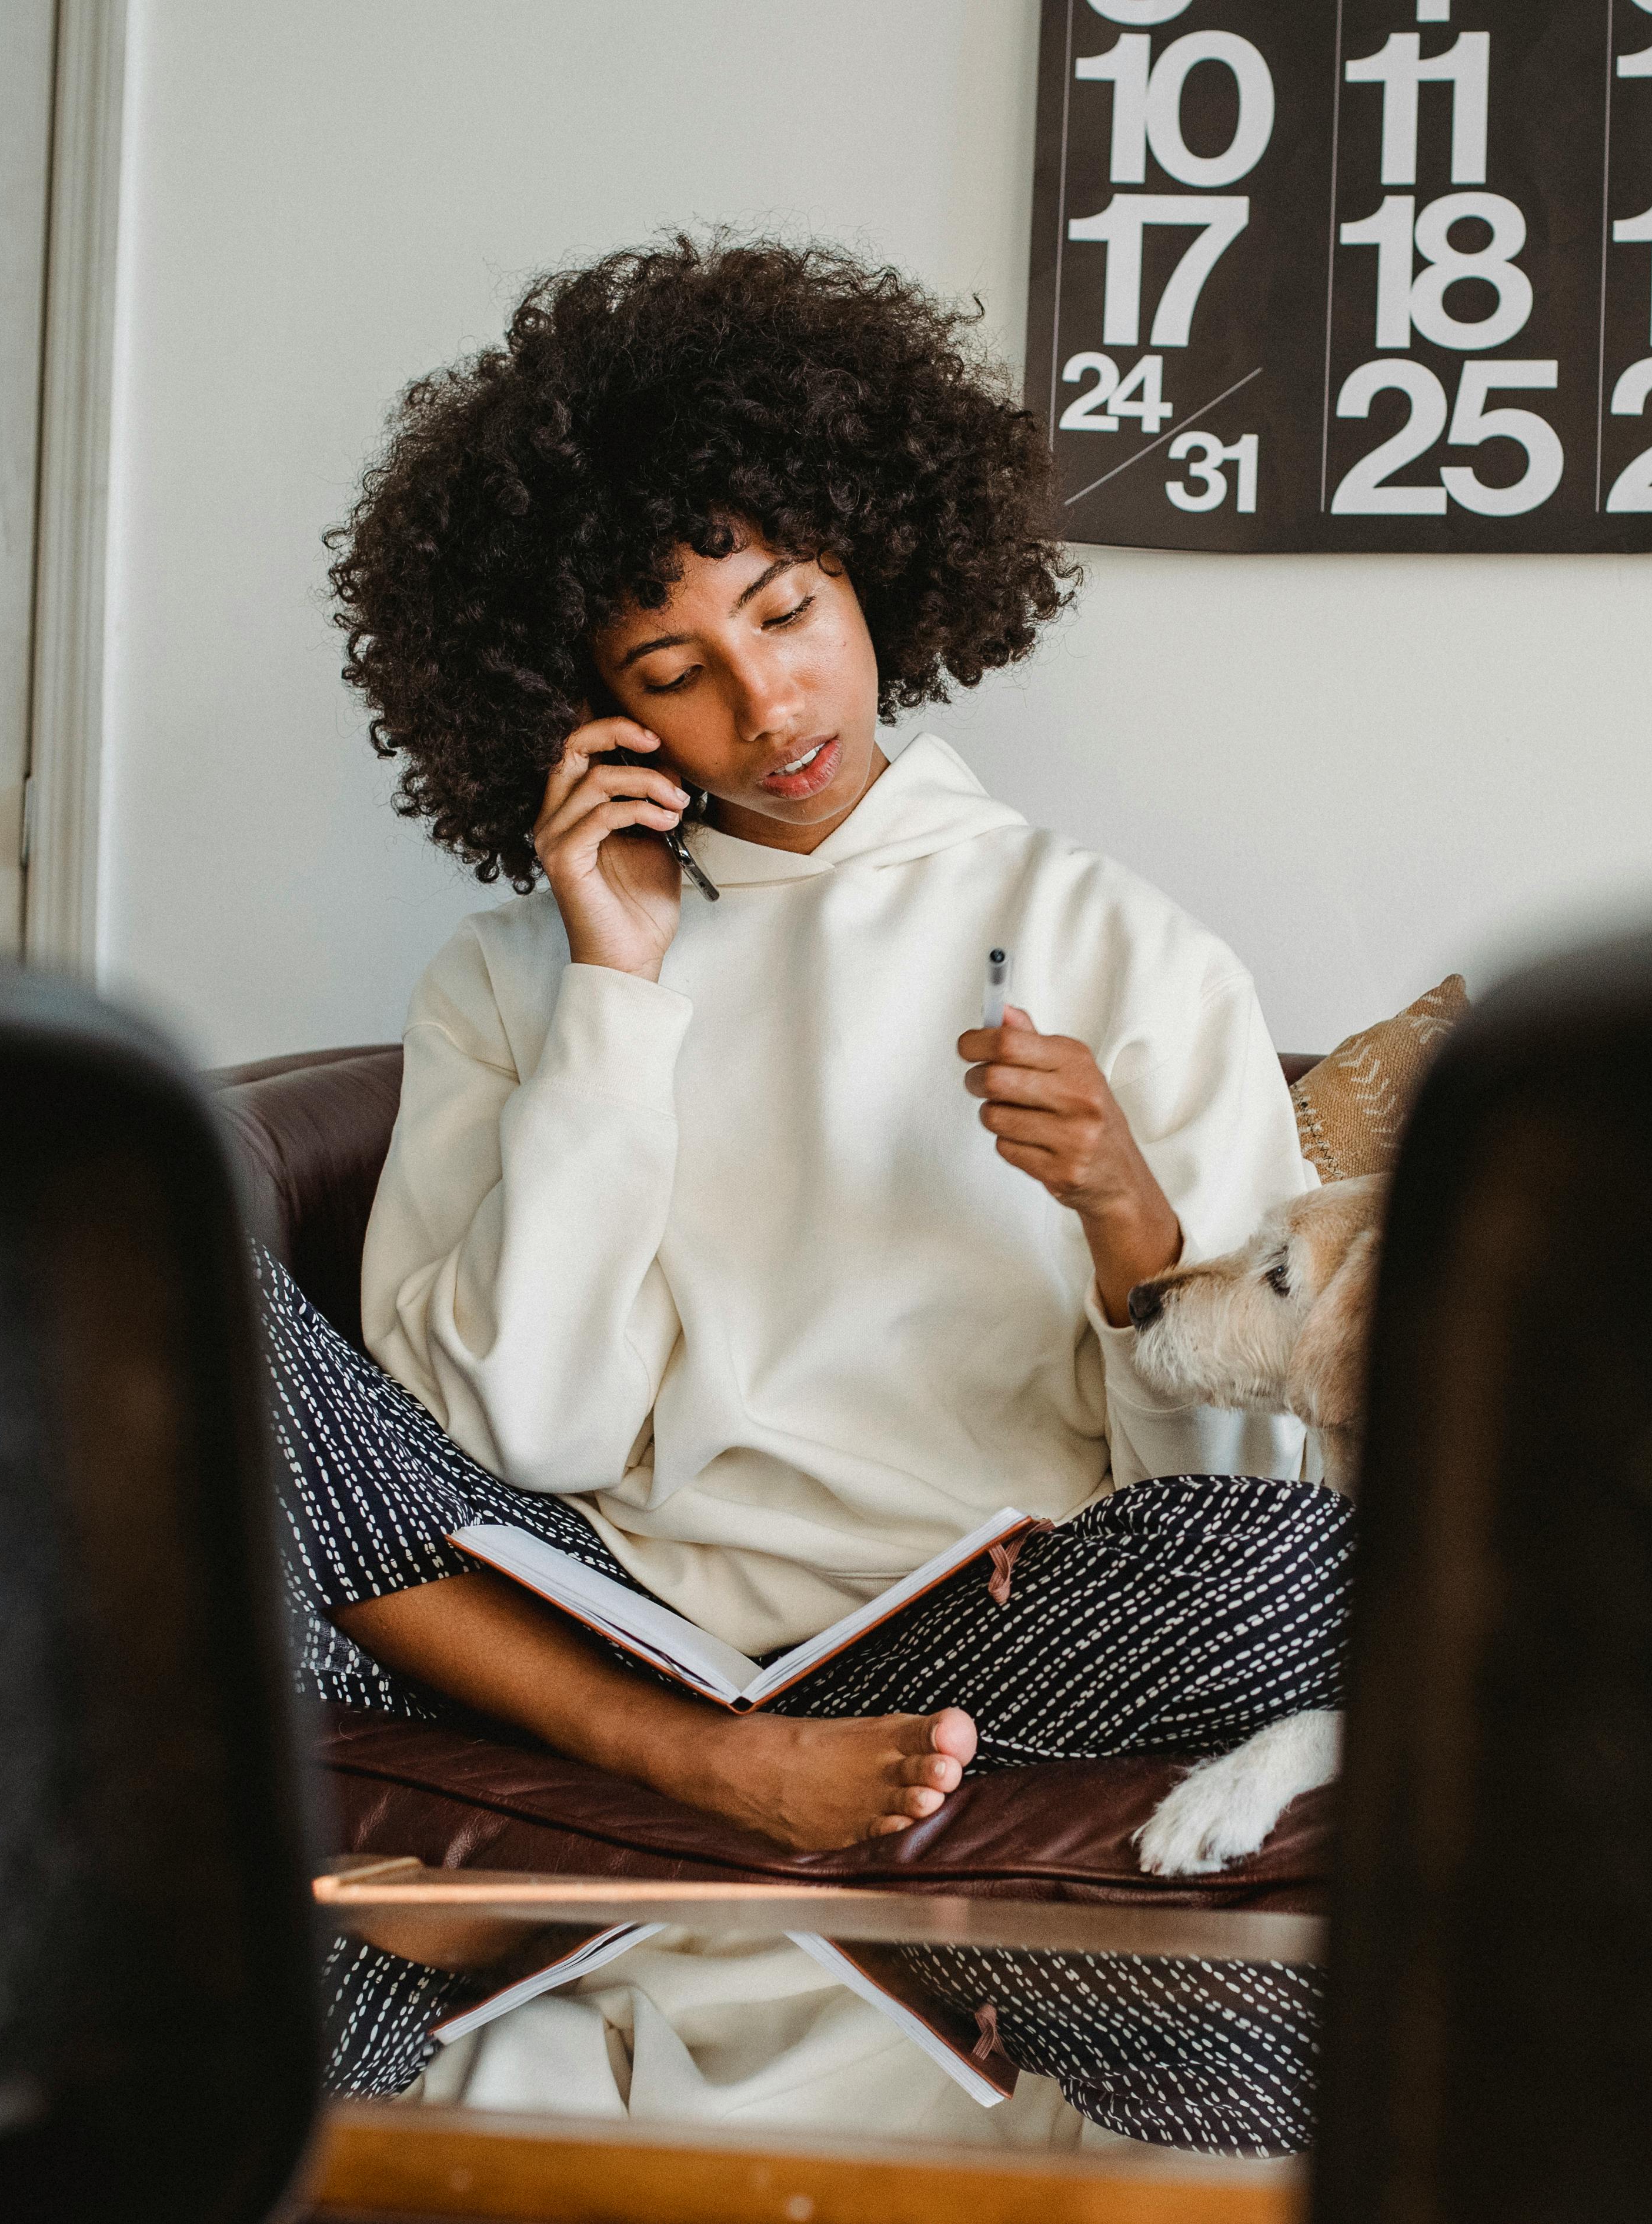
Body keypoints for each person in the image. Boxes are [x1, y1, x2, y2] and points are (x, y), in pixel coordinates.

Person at [271, 236, 1347, 1874]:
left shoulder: (1114, 936)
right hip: (605, 1625)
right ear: (579, 704)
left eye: (786, 611)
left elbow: (1238, 1461)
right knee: (152, 1286)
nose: (767, 703)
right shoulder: (508, 977)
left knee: (1303, 1572)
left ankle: (720, 1757)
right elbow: (508, 1452)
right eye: (670, 671)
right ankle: (702, 1762)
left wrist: (1125, 1207)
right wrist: (613, 991)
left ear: (875, 571)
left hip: (978, 1644)